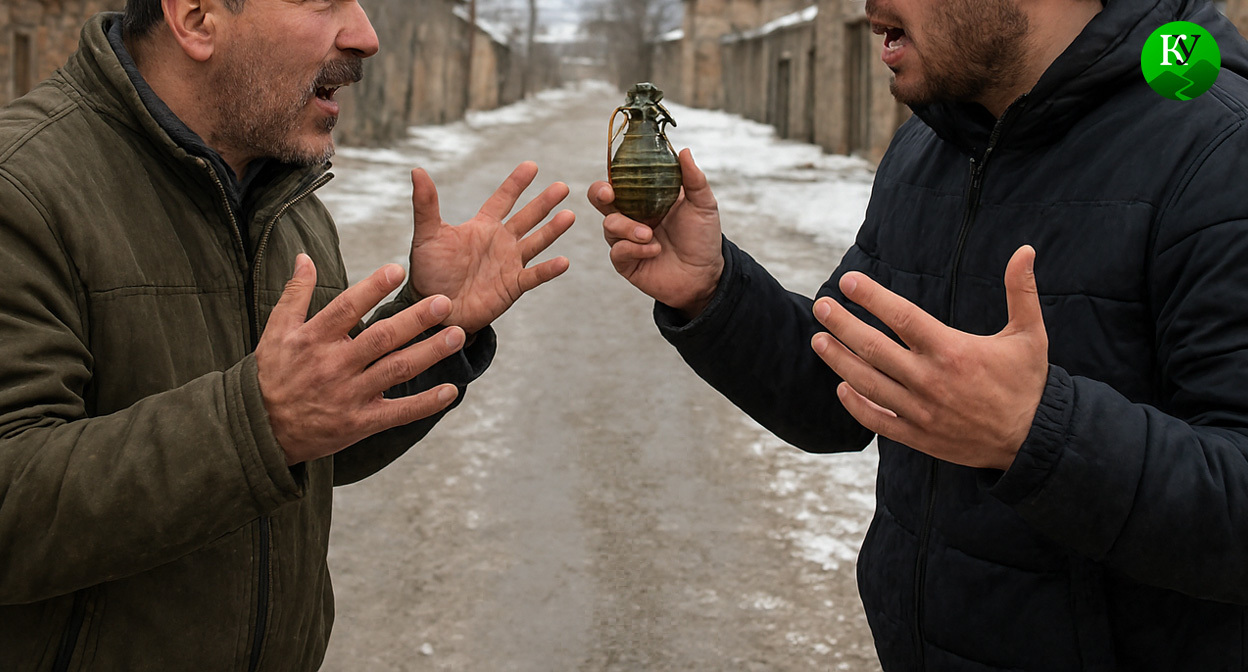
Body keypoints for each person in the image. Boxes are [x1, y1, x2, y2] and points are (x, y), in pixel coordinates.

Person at [591, 0, 1248, 668]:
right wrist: (713, 289)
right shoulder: (933, 146)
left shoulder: (1221, 149)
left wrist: (1035, 435)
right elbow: (840, 392)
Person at [0, 0, 573, 668]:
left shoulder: (285, 202)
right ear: (197, 18)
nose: (367, 37)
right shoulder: (23, 190)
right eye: (325, 2)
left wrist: (435, 318)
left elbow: (316, 443)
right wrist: (259, 424)